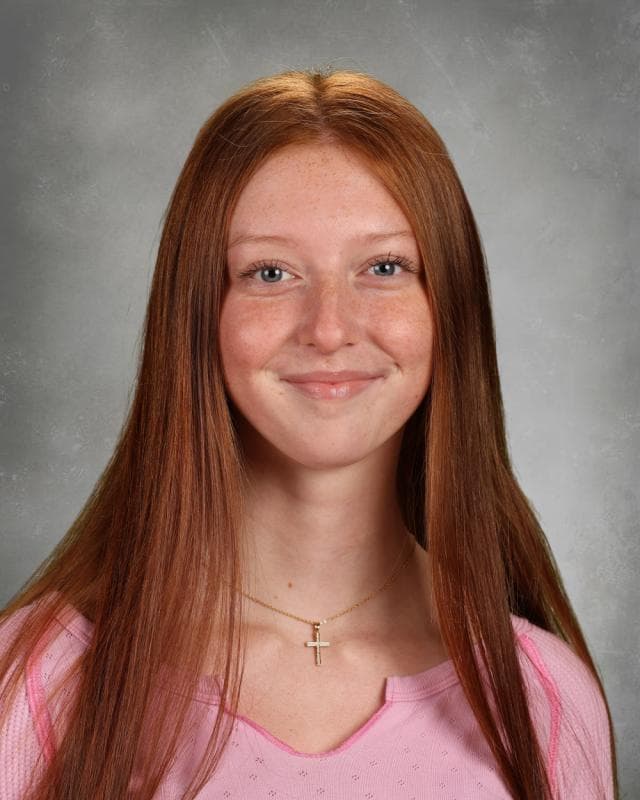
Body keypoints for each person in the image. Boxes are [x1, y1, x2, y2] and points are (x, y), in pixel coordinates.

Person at [0, 68, 617, 800]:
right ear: (197, 313)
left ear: (449, 307)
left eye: (384, 266)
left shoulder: (543, 700)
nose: (328, 328)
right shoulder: (38, 683)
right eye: (270, 272)